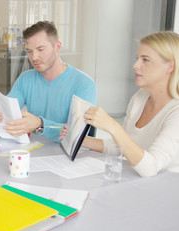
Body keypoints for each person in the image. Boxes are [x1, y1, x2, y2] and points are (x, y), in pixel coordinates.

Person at [61, 31, 179, 177]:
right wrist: (80, 139)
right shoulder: (140, 98)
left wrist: (112, 126)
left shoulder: (176, 111)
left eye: (145, 60)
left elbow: (151, 168)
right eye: (137, 58)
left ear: (170, 66)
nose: (136, 65)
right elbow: (122, 146)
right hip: (139, 184)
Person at [0, 21, 96, 142]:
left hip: (67, 156)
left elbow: (79, 136)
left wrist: (40, 125)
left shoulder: (84, 84)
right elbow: (6, 117)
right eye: (29, 51)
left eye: (40, 49)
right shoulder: (25, 79)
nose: (34, 57)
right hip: (34, 150)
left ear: (57, 47)